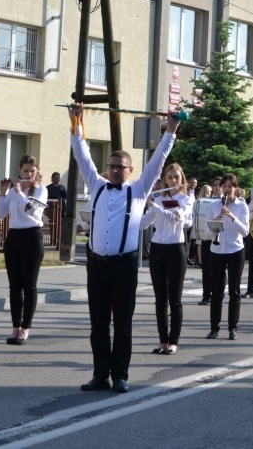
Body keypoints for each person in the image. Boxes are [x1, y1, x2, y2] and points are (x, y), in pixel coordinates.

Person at [69, 103, 180, 394]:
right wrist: (76, 121)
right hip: (96, 265)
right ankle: (100, 375)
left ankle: (120, 375)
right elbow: (82, 154)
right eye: (112, 166)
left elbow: (159, 160)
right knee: (98, 325)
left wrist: (170, 130)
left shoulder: (139, 190)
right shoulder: (97, 185)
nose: (115, 170)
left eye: (121, 167)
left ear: (130, 171)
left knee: (122, 325)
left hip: (124, 266)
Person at [140, 163, 193, 355]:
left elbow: (175, 217)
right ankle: (162, 341)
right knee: (160, 300)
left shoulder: (186, 199)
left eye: (176, 177)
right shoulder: (160, 199)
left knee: (175, 299)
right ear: (165, 180)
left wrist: (153, 204)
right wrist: (134, 207)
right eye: (169, 177)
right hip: (157, 249)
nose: (173, 180)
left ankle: (173, 342)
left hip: (176, 250)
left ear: (182, 179)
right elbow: (143, 224)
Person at [0, 155, 47, 346]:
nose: (28, 174)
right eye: (25, 171)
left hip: (32, 237)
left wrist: (18, 192)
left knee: (29, 285)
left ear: (37, 171)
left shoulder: (41, 190)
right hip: (14, 237)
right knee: (14, 285)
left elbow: (32, 210)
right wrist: (3, 193)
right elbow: (1, 214)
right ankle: (15, 326)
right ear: (20, 171)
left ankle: (25, 328)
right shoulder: (12, 191)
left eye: (32, 171)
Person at [204, 173, 250, 340]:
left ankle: (232, 328)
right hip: (216, 251)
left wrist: (231, 216)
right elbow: (206, 232)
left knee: (234, 292)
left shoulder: (242, 206)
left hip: (235, 251)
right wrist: (215, 223)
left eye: (230, 186)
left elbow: (245, 231)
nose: (227, 189)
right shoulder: (213, 205)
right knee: (216, 292)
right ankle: (214, 328)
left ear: (235, 188)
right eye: (224, 186)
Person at [197, 179, 221, 306]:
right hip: (207, 238)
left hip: (221, 240)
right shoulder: (205, 201)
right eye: (215, 185)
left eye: (219, 184)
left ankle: (218, 296)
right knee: (206, 269)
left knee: (219, 271)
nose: (217, 187)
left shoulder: (227, 201)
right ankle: (206, 296)